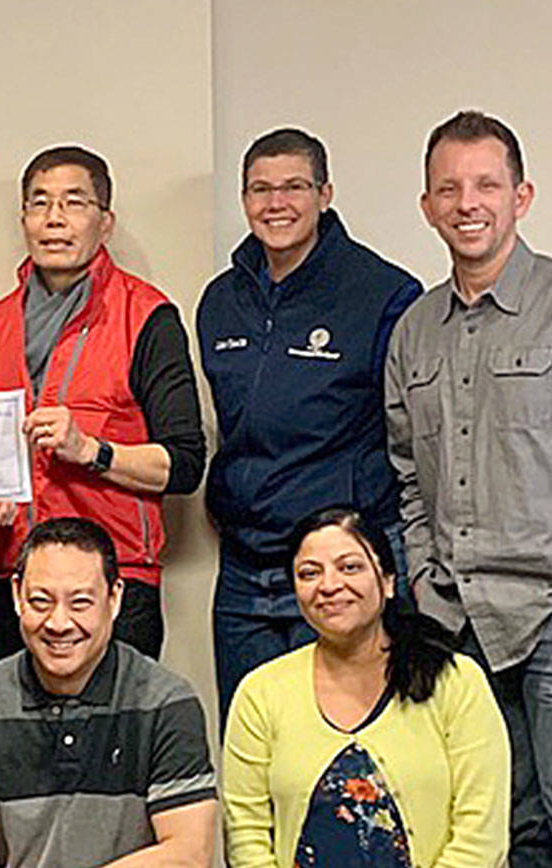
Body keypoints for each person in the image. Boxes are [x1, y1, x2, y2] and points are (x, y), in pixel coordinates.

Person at [197, 128, 422, 721]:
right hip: (244, 574)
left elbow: (409, 436)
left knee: (347, 745)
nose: (277, 203)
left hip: (337, 567)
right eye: (260, 189)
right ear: (244, 200)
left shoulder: (384, 293)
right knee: (253, 741)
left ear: (325, 194)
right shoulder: (220, 301)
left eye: (294, 187)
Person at [386, 110, 552, 865]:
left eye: (487, 184)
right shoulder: (414, 330)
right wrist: (423, 581)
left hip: (547, 615)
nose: (467, 203)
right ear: (426, 206)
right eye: (448, 188)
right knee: (494, 834)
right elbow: (407, 476)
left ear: (522, 196)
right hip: (460, 628)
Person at [0, 145, 205, 662]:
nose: (55, 219)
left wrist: (93, 450)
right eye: (40, 203)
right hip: (19, 582)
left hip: (116, 580)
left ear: (106, 222)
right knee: (17, 743)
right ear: (24, 219)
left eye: (74, 203)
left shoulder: (148, 316)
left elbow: (185, 463)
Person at [223, 507, 510, 867]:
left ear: (388, 580)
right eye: (309, 573)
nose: (328, 585)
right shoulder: (260, 693)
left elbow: (481, 838)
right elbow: (246, 839)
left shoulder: (455, 681)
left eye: (350, 567)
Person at [0, 517, 217, 867]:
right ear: (17, 595)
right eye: (40, 601)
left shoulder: (166, 703)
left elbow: (188, 854)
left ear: (114, 599)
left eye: (80, 603)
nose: (59, 623)